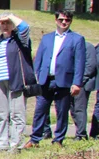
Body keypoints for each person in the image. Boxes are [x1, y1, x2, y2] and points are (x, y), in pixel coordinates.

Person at [26, 10, 86, 148]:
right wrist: (35, 76)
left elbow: (79, 63)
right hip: (45, 80)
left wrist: (77, 83)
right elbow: (39, 58)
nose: (64, 22)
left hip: (64, 81)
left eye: (67, 20)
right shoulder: (47, 38)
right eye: (61, 19)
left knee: (62, 111)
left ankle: (58, 139)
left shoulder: (77, 39)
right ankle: (35, 139)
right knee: (40, 110)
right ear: (56, 20)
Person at [0, 13, 33, 152]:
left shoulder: (19, 39)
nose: (5, 25)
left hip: (15, 80)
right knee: (1, 113)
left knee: (16, 113)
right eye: (2, 23)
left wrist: (11, 16)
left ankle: (16, 144)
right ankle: (2, 144)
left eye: (8, 23)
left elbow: (25, 27)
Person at [71, 40, 96, 141]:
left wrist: (79, 81)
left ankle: (81, 134)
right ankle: (81, 132)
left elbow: (91, 66)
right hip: (71, 83)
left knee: (79, 108)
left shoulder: (88, 46)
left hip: (82, 84)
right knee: (72, 109)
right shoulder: (71, 45)